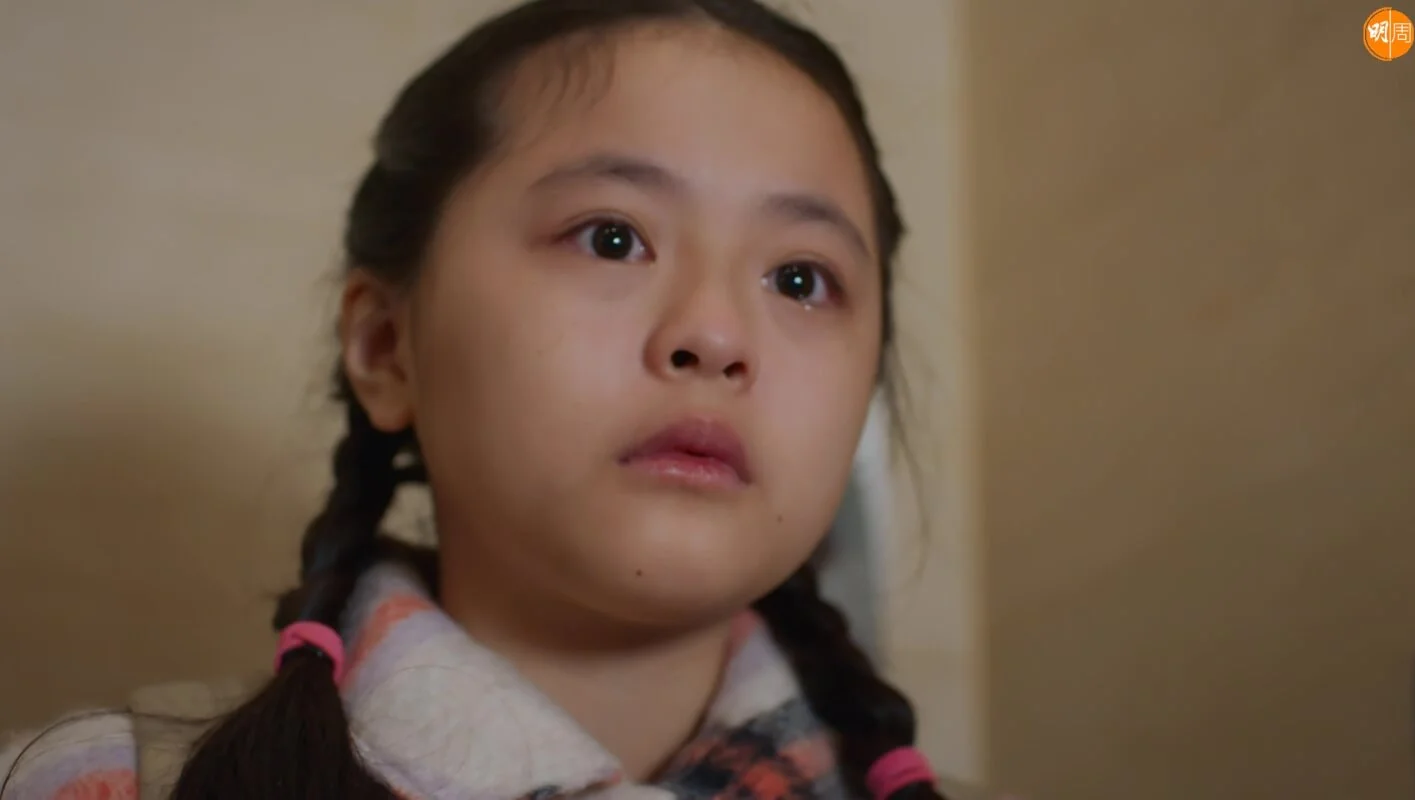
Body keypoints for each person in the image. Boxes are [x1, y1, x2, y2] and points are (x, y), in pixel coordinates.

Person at [1, 1, 999, 798]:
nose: (717, 335)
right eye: (613, 237)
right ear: (387, 347)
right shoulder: (106, 783)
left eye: (800, 279)